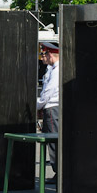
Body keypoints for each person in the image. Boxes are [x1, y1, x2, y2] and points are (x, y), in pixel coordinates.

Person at [36, 42, 60, 181]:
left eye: (44, 54)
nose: (42, 57)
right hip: (51, 108)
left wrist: (38, 106)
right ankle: (58, 172)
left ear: (50, 54)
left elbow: (48, 92)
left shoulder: (56, 71)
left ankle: (59, 172)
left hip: (52, 108)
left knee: (53, 141)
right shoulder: (53, 69)